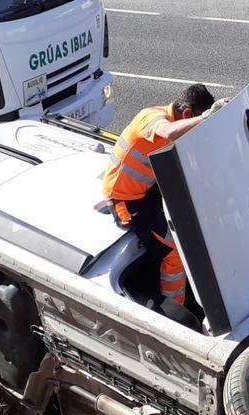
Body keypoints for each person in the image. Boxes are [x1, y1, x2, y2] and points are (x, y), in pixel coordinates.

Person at [101, 84, 224, 306]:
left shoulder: (174, 118)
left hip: (146, 189)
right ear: (187, 114)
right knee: (175, 250)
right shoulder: (153, 119)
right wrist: (206, 118)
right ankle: (174, 309)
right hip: (126, 203)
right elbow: (168, 133)